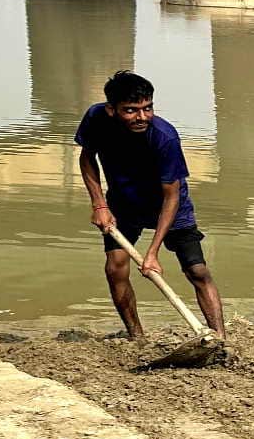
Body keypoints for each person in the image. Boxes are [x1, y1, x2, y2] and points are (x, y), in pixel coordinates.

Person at [75, 70, 225, 338]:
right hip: (123, 204)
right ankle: (137, 337)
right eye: (131, 110)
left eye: (147, 108)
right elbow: (87, 158)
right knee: (115, 268)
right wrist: (99, 205)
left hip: (169, 207)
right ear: (111, 109)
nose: (142, 117)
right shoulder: (96, 118)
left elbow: (172, 196)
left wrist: (153, 252)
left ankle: (219, 338)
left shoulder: (164, 137)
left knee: (197, 270)